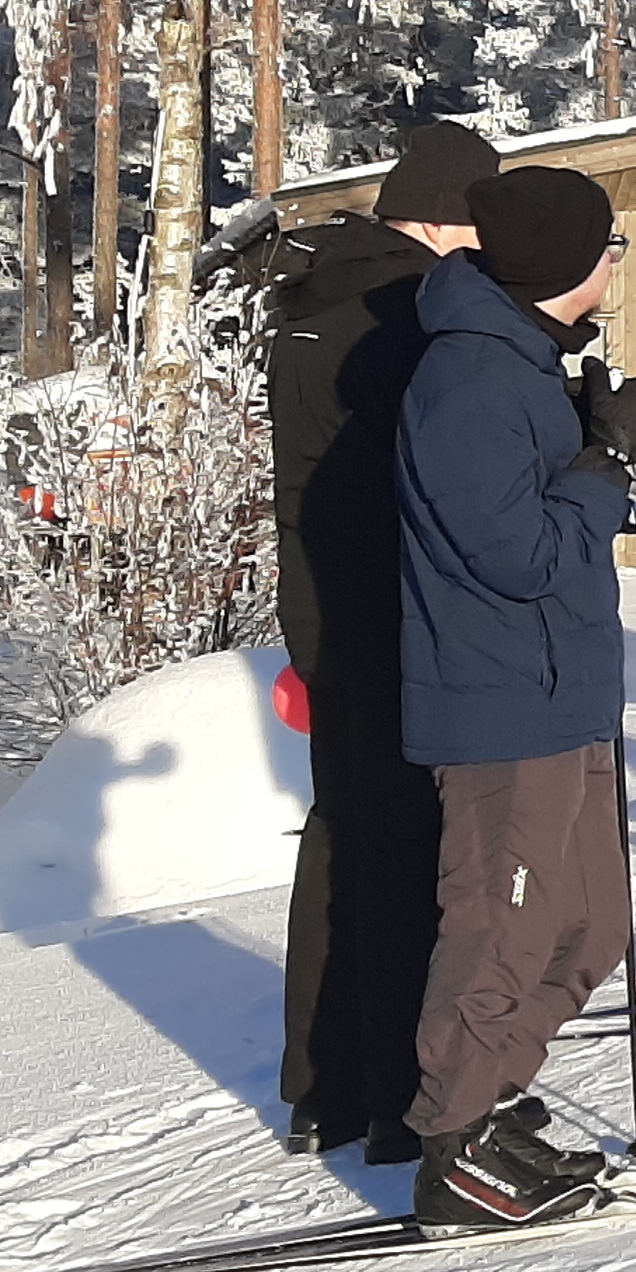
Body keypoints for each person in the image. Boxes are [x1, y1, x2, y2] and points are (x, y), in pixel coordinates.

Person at [391, 167, 636, 1230]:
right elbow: (518, 552)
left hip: (561, 689)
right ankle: (452, 1146)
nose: (615, 264)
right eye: (609, 247)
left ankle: (488, 1096)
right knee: (502, 930)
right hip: (500, 698)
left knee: (589, 928)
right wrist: (602, 465)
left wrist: (602, 455)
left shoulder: (528, 364)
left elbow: (549, 519)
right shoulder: (471, 379)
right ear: (567, 264)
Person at [260, 115, 494, 1160]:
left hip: (325, 605)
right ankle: (404, 1093)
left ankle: (326, 1084)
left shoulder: (316, 302)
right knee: (407, 849)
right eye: (480, 227)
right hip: (398, 608)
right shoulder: (409, 312)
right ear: (442, 222)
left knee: (343, 836)